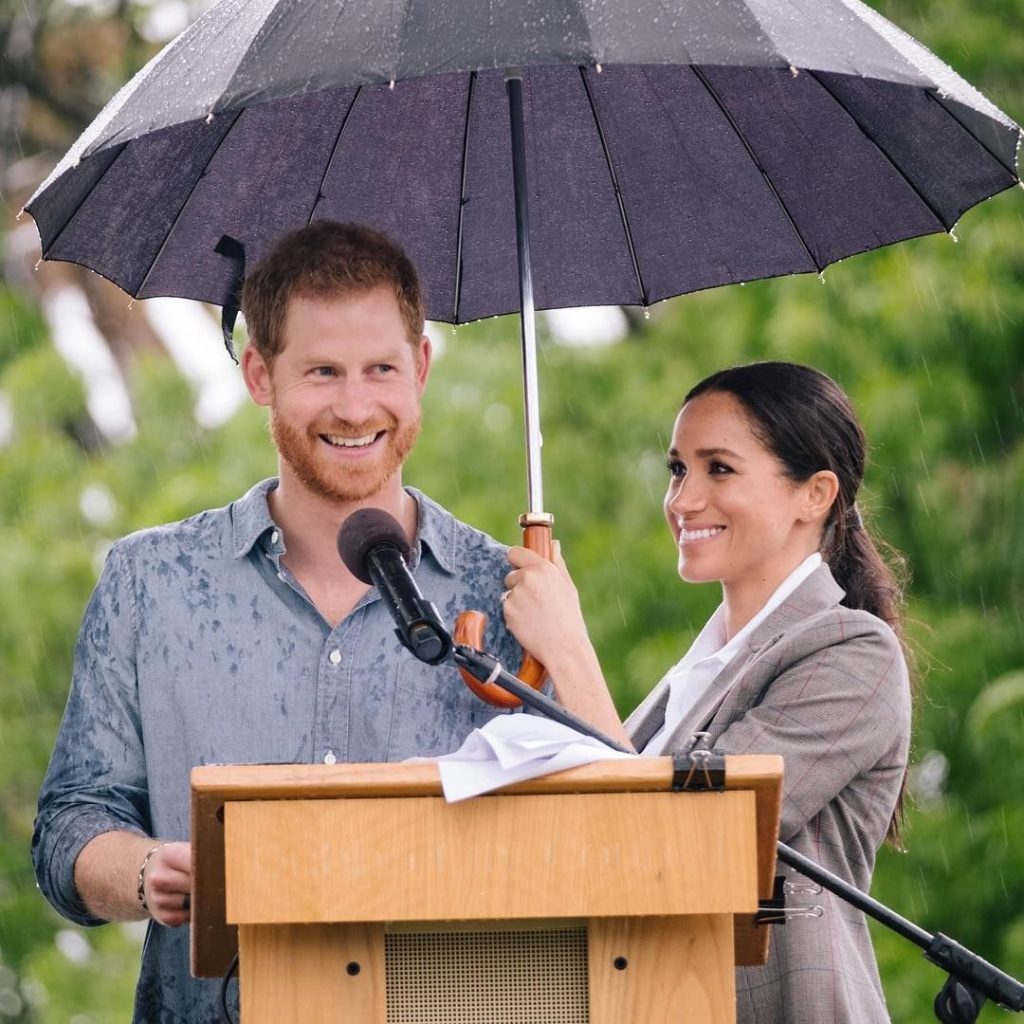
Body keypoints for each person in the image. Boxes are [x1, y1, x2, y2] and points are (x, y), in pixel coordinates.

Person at [32, 221, 521, 1023]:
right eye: (322, 371)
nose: (356, 405)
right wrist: (148, 868)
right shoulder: (149, 582)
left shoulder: (503, 589)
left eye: (381, 369)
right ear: (260, 373)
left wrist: (563, 634)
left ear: (421, 368)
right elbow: (68, 829)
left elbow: (589, 829)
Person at [501, 361, 912, 1024]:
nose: (683, 500)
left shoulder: (850, 654)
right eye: (677, 469)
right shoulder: (693, 677)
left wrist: (571, 653)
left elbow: (683, 843)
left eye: (719, 468)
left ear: (815, 494)